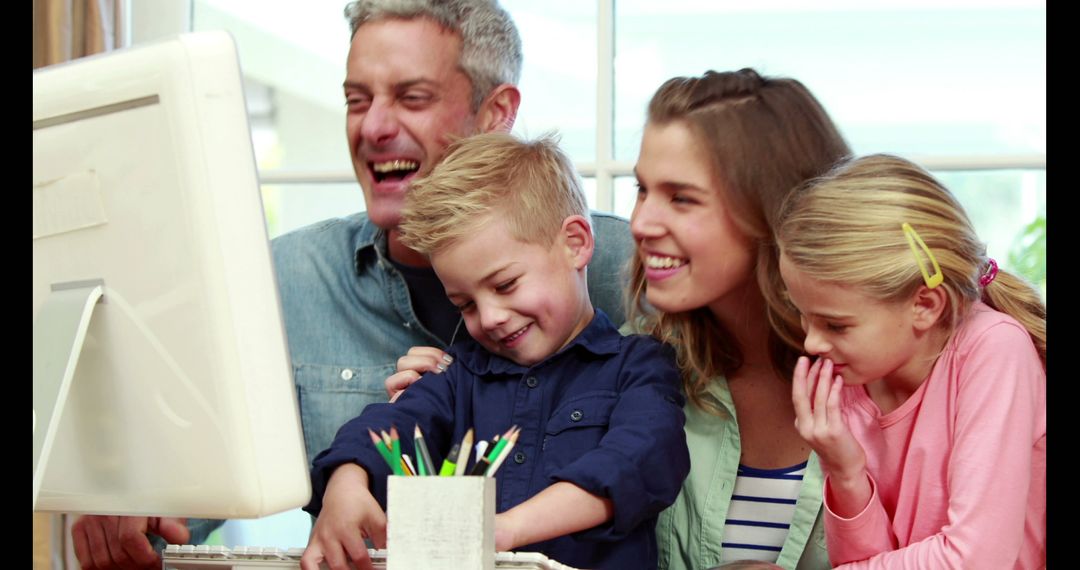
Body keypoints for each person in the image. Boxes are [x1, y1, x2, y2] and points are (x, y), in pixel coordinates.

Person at [69, 2, 633, 568]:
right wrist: (129, 497)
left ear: (496, 112)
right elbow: (171, 500)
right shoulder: (281, 280)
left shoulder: (621, 269)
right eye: (356, 100)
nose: (374, 127)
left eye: (412, 98)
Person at [300, 132, 690, 570]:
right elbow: (387, 426)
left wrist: (502, 530)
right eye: (464, 304)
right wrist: (345, 483)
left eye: (505, 285)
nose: (489, 318)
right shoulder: (458, 374)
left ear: (575, 243)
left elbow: (638, 461)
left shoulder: (638, 365)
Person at [773, 154, 1046, 568]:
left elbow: (976, 559)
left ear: (925, 304)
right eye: (802, 314)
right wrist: (845, 471)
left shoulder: (994, 350)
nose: (811, 342)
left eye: (834, 324)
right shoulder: (853, 376)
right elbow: (873, 559)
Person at [629, 68, 851, 569]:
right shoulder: (633, 371)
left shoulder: (898, 383)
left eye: (681, 198)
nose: (641, 223)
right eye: (642, 190)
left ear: (771, 210)